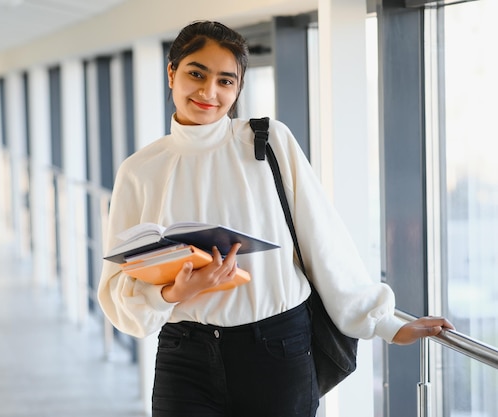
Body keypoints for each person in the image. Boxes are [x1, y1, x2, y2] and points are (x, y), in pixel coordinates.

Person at [98, 20, 454, 417]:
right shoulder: (139, 170)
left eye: (225, 81)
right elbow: (117, 283)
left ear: (238, 89)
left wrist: (385, 324)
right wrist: (173, 294)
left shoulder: (267, 142)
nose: (208, 92)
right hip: (185, 355)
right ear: (171, 72)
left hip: (278, 349)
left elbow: (323, 240)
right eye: (196, 73)